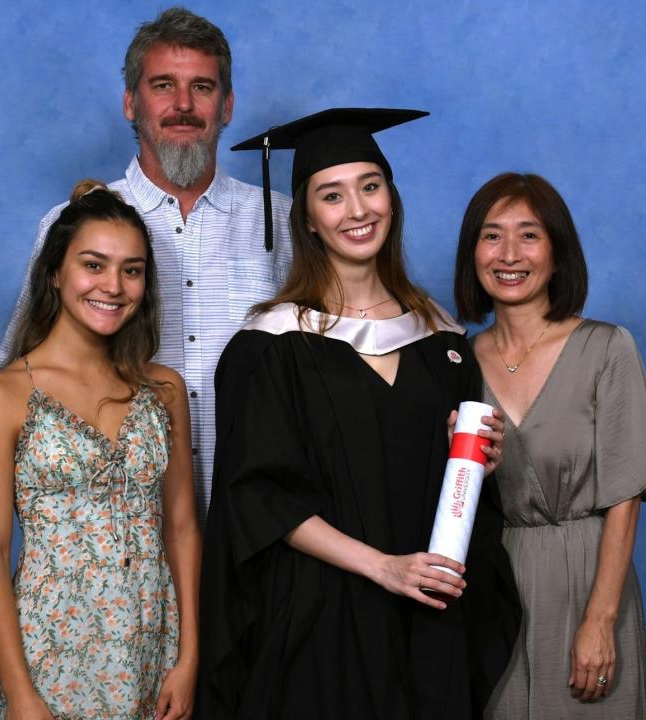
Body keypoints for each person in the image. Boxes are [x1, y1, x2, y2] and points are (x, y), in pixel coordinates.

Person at [197, 109, 521, 719]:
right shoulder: (270, 347)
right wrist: (383, 568)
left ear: (392, 200)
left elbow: (453, 491)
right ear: (310, 221)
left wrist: (481, 463)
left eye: (370, 187)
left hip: (427, 610)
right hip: (319, 617)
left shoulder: (440, 340)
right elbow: (257, 501)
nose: (357, 210)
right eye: (332, 195)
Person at [0, 7, 293, 525]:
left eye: (202, 87)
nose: (183, 105)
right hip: (122, 536)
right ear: (131, 103)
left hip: (260, 530)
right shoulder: (71, 227)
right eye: (163, 86)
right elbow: (19, 378)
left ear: (227, 105)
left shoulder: (285, 222)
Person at [0, 182, 201, 719]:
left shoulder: (163, 389)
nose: (113, 286)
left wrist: (188, 658)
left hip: (151, 650)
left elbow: (183, 528)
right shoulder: (0, 397)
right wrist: (22, 698)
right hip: (47, 657)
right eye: (93, 265)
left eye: (132, 270)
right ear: (55, 272)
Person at [453, 172, 646, 718]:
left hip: (587, 580)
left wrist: (599, 619)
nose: (508, 253)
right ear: (472, 252)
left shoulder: (605, 348)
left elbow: (626, 497)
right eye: (491, 234)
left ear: (557, 251)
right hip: (492, 587)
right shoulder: (452, 362)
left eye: (529, 234)